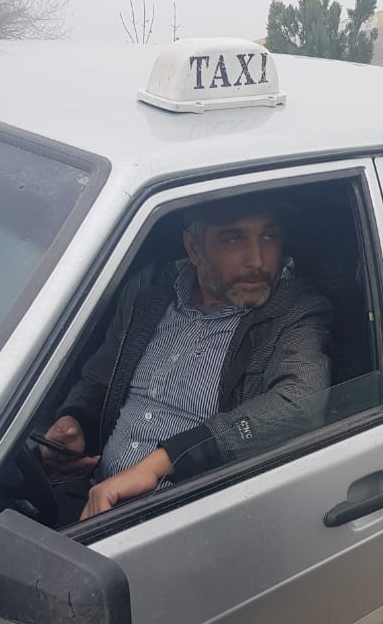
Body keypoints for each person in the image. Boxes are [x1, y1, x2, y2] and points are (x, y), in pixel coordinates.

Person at [39, 195, 333, 520]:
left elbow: (300, 404)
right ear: (193, 248)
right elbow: (100, 376)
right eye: (233, 238)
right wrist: (76, 419)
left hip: (182, 518)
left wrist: (163, 462)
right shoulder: (149, 289)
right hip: (90, 493)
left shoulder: (294, 312)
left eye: (269, 236)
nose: (258, 260)